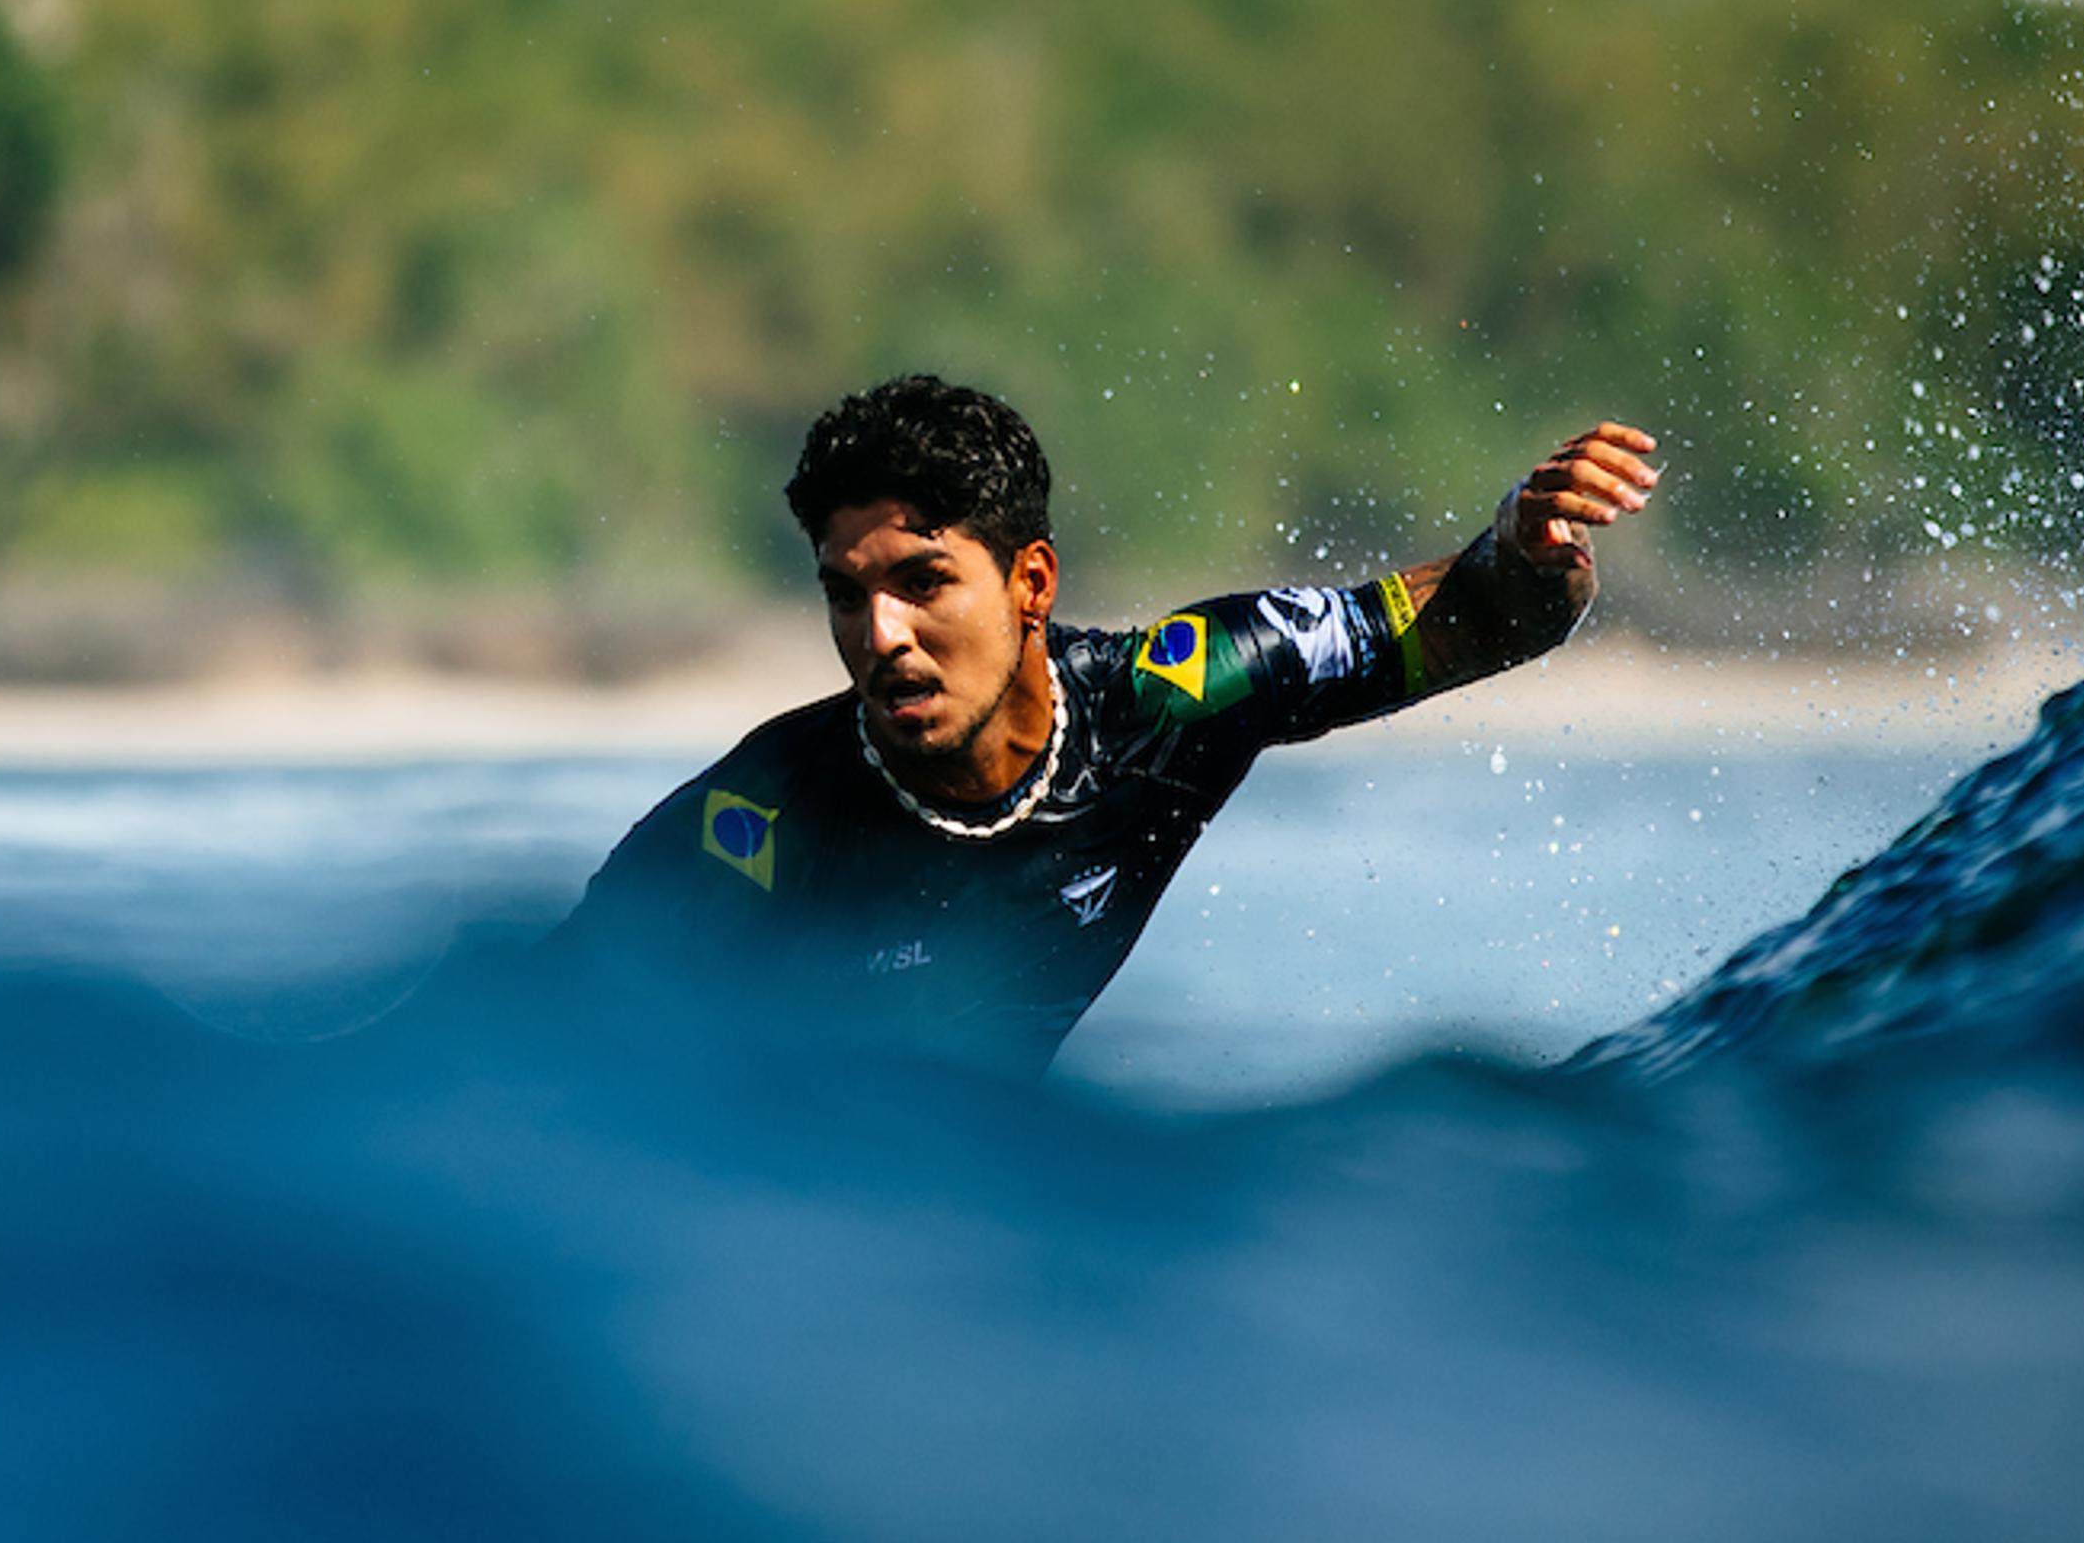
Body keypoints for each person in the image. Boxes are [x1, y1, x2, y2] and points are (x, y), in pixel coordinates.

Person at [546, 374, 1657, 1074]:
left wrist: (1528, 542)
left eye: (923, 582)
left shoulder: (1173, 696)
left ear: (1032, 582)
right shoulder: (758, 816)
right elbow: (528, 1037)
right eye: (846, 593)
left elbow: (1485, 620)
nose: (880, 633)